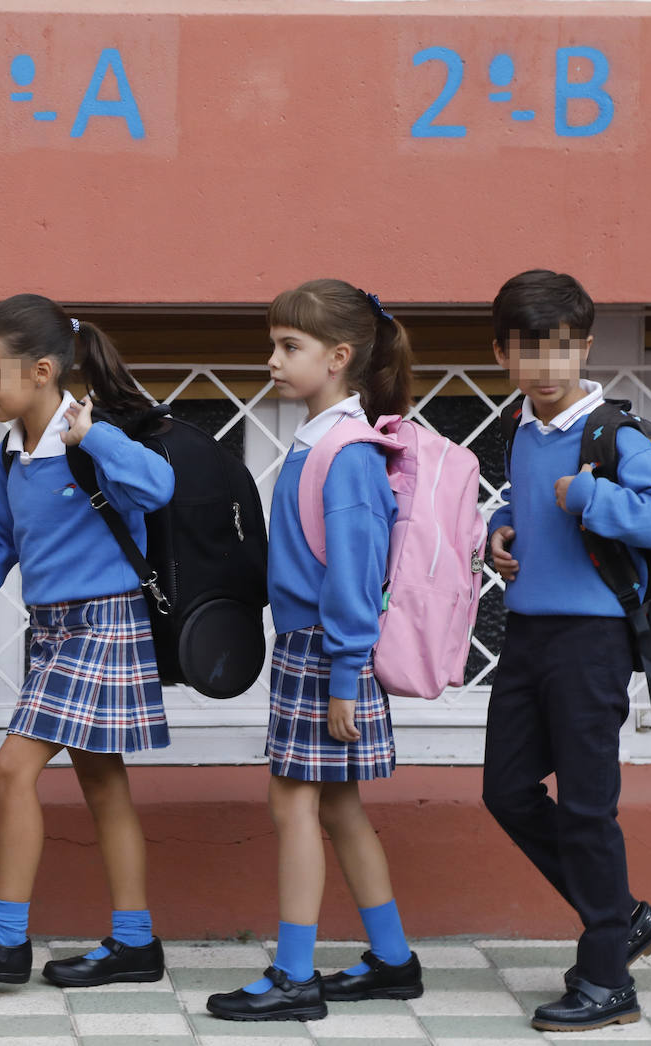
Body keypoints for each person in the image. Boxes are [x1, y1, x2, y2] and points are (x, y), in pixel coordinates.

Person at [0, 293, 174, 989]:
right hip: (54, 630)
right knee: (104, 785)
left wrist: (98, 439)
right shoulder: (15, 452)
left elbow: (158, 486)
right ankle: (135, 943)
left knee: (12, 769)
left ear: (43, 371)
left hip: (105, 623)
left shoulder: (88, 438)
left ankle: (4, 939)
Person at [482, 270, 651, 1032]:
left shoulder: (614, 431)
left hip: (594, 642)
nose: (546, 365)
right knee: (505, 791)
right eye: (529, 349)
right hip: (529, 633)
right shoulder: (522, 430)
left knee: (585, 809)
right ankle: (624, 918)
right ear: (503, 352)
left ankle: (608, 980)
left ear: (585, 348)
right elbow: (530, 503)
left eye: (561, 348)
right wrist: (500, 532)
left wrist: (589, 499)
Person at [207, 279, 422, 1023]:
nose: (272, 359)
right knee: (338, 807)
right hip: (317, 649)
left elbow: (355, 575)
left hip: (327, 652)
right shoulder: (320, 443)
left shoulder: (347, 453)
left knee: (292, 803)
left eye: (288, 347)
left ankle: (295, 975)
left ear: (338, 358)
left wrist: (341, 674)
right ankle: (393, 959)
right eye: (274, 343)